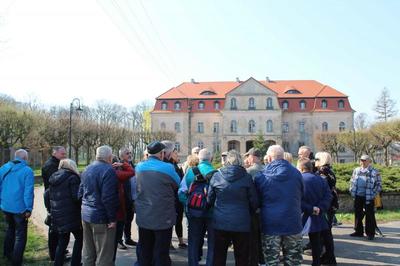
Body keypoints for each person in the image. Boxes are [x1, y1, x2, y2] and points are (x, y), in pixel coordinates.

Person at [254, 145, 304, 266]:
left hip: (271, 224)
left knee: (271, 261)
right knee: (293, 261)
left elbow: (257, 201)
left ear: (269, 158)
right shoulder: (296, 173)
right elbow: (301, 194)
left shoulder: (261, 177)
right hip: (293, 222)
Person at [208, 150, 259, 266]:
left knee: (219, 256)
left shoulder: (217, 176)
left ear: (227, 161)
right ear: (240, 161)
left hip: (220, 221)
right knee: (242, 257)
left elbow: (209, 200)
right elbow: (254, 202)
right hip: (242, 222)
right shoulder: (246, 177)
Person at [135, 141, 180, 266]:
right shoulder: (168, 168)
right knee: (161, 252)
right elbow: (177, 183)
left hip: (144, 215)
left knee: (145, 250)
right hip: (163, 216)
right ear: (161, 154)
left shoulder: (138, 167)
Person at [79, 145, 119, 266]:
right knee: (104, 255)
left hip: (86, 215)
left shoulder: (87, 168)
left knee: (88, 252)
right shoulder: (109, 170)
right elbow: (108, 197)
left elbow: (80, 192)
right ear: (109, 157)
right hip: (101, 217)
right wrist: (112, 218)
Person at [178, 148, 215, 266]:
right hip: (211, 213)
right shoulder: (216, 173)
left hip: (194, 212)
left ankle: (193, 263)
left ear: (198, 159)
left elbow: (181, 193)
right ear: (211, 159)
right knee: (212, 243)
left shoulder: (191, 172)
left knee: (193, 242)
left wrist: (189, 204)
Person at [45, 159, 82, 266]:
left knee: (62, 241)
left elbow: (47, 194)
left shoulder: (53, 177)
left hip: (58, 216)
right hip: (72, 216)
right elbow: (76, 197)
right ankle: (75, 263)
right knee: (79, 238)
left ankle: (57, 263)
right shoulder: (73, 178)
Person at [0, 149, 34, 266]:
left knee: (10, 229)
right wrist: (28, 208)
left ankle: (7, 254)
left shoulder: (4, 168)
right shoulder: (27, 171)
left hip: (5, 206)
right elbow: (28, 192)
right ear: (25, 158)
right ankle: (16, 261)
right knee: (20, 235)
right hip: (20, 208)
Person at [297, 158, 332, 266]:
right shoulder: (321, 179)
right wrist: (320, 208)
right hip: (318, 215)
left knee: (295, 241)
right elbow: (328, 196)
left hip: (302, 214)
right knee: (316, 242)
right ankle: (316, 263)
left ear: (301, 168)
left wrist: (310, 208)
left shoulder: (299, 179)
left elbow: (296, 199)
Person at [42, 146, 67, 261]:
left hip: (54, 199)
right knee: (54, 228)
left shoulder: (54, 163)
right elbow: (55, 182)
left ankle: (58, 251)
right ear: (55, 153)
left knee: (56, 227)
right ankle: (54, 254)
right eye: (62, 154)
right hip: (53, 199)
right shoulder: (51, 165)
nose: (64, 155)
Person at [161, 140, 187, 249]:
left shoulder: (176, 165)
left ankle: (180, 241)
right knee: (170, 221)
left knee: (178, 219)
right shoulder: (167, 166)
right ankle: (169, 242)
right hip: (171, 197)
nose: (177, 155)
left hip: (177, 197)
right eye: (175, 153)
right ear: (170, 153)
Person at [349, 155, 382, 240]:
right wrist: (351, 190)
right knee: (358, 214)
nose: (362, 162)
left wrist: (373, 193)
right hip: (358, 195)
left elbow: (379, 185)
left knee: (369, 215)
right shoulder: (356, 170)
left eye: (364, 160)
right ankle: (358, 231)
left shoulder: (375, 171)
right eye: (361, 160)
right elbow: (352, 181)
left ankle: (370, 233)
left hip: (369, 196)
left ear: (369, 161)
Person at [314, 152, 338, 264]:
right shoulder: (330, 170)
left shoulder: (322, 172)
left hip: (325, 205)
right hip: (331, 204)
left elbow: (321, 189)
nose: (314, 161)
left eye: (316, 159)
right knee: (327, 233)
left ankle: (329, 258)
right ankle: (328, 257)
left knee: (325, 233)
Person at [245, 148, 265, 266]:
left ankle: (254, 261)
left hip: (253, 209)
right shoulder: (266, 169)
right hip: (265, 208)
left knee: (253, 238)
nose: (247, 158)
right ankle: (262, 260)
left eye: (248, 156)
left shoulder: (249, 171)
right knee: (262, 238)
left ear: (252, 157)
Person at [112, 154, 134, 260]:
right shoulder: (116, 173)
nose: (130, 155)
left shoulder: (91, 171)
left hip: (123, 200)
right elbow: (131, 172)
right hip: (118, 205)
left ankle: (125, 238)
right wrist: (123, 164)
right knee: (118, 227)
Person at [118, 148, 137, 247]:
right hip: (124, 198)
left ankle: (128, 238)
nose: (129, 155)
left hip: (132, 197)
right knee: (122, 220)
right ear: (121, 156)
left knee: (129, 219)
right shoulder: (120, 167)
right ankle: (119, 240)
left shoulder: (132, 165)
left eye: (130, 153)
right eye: (127, 153)